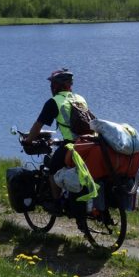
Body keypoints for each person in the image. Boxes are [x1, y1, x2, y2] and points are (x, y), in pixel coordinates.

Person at [24, 68, 95, 203]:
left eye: (52, 84)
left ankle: (57, 202)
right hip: (88, 143)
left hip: (71, 145)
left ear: (56, 86)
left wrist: (28, 141)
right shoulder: (80, 99)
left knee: (52, 168)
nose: (51, 87)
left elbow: (38, 125)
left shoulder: (54, 102)